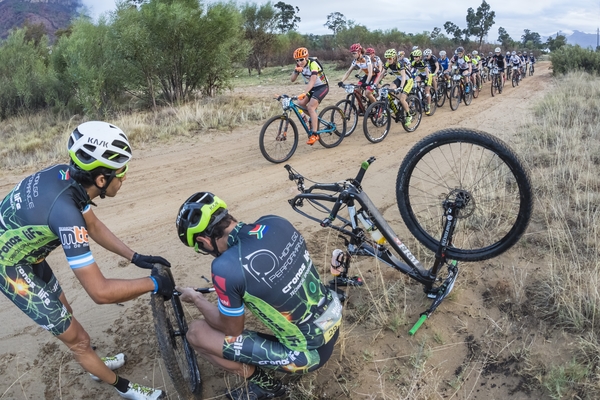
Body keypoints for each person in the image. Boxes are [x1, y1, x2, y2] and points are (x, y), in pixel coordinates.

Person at [0, 121, 174, 400]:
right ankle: (125, 388)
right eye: (122, 171)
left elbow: (93, 226)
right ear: (101, 180)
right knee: (78, 340)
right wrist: (153, 283)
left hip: (26, 254)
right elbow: (100, 292)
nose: (126, 176)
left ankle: (96, 367)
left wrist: (136, 257)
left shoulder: (68, 177)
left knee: (65, 312)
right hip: (10, 268)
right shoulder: (66, 215)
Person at [175, 192, 342, 400]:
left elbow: (232, 329)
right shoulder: (275, 222)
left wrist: (197, 299)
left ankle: (269, 387)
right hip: (334, 319)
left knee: (197, 333)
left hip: (309, 355)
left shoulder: (225, 267)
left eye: (200, 247)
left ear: (204, 240)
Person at [290, 47, 330, 146]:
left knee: (311, 107)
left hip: (322, 86)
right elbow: (292, 80)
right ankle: (313, 118)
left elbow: (312, 80)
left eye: (301, 59)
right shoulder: (299, 65)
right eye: (297, 60)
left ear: (306, 57)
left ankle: (315, 134)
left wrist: (305, 92)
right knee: (300, 104)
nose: (300, 62)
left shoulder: (313, 64)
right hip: (313, 88)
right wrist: (296, 71)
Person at [382, 48, 414, 126]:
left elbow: (403, 77)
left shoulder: (400, 63)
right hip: (399, 79)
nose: (388, 60)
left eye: (390, 58)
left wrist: (401, 87)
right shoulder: (388, 63)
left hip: (408, 80)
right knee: (389, 90)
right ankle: (394, 106)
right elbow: (381, 74)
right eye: (387, 58)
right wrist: (374, 84)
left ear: (394, 57)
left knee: (402, 99)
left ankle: (409, 115)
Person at [410, 49, 432, 114]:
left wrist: (427, 78)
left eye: (416, 57)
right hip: (422, 74)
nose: (415, 58)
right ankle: (419, 98)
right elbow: (410, 69)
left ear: (420, 57)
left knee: (427, 91)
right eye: (414, 57)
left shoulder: (423, 62)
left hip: (428, 75)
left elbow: (427, 71)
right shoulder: (414, 62)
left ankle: (428, 106)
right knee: (416, 83)